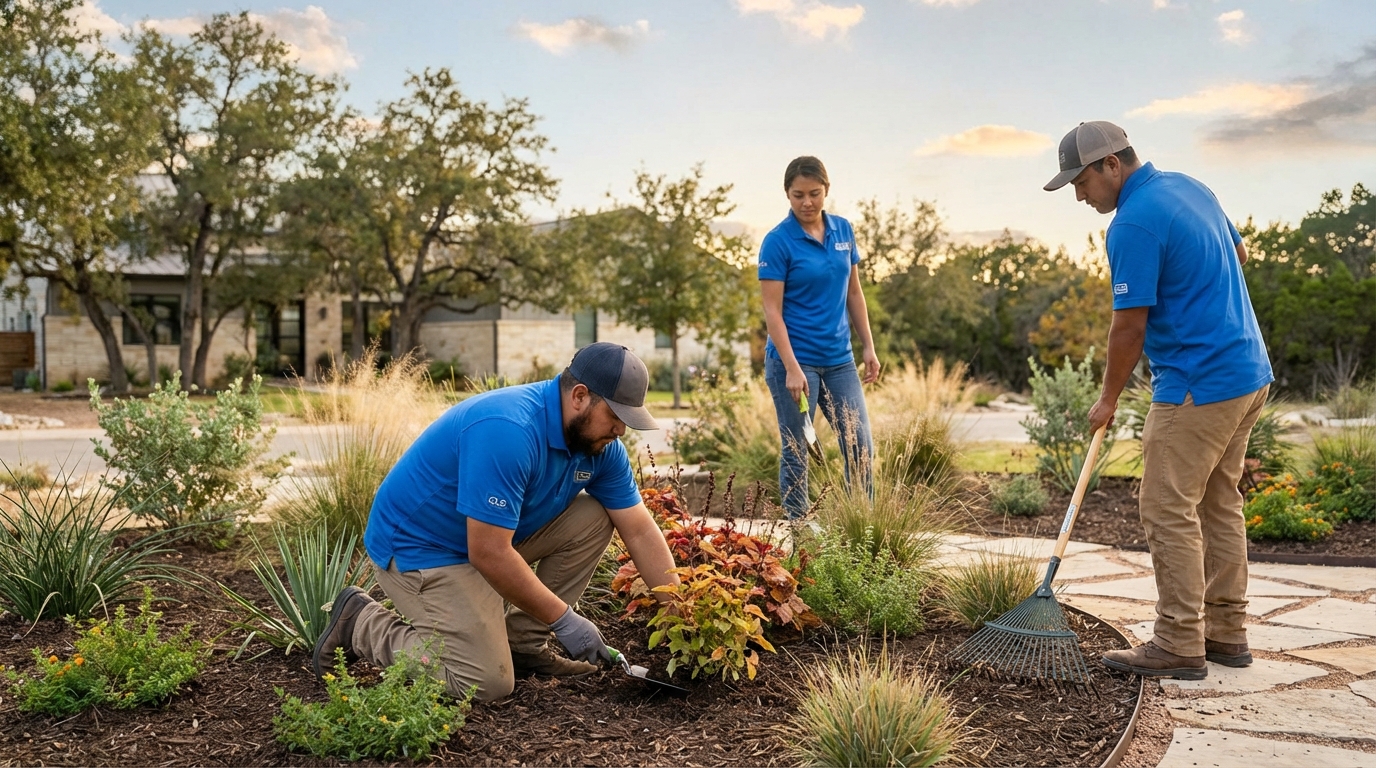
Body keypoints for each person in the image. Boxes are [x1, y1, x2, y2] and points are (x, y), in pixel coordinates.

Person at [311, 342, 679, 701]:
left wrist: (680, 610)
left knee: (595, 517)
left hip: (491, 538)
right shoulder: (509, 430)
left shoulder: (600, 447)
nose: (621, 431)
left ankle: (523, 644)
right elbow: (488, 552)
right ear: (579, 396)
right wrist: (564, 620)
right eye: (615, 417)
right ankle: (360, 622)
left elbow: (640, 528)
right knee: (484, 681)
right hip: (423, 548)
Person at [1044, 121, 1273, 680]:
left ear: (1112, 165)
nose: (1078, 194)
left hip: (1198, 384)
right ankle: (1226, 633)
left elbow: (1129, 326)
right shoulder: (1192, 187)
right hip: (1249, 373)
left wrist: (1107, 398)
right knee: (1220, 503)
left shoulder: (1133, 224)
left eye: (1081, 181)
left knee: (1165, 507)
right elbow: (1237, 256)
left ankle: (1177, 641)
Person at [759, 155, 881, 519]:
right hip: (794, 364)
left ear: (827, 190)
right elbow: (772, 312)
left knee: (860, 447)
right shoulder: (777, 242)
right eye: (798, 195)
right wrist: (793, 369)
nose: (807, 202)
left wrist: (869, 347)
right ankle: (802, 539)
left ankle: (861, 530)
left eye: (814, 193)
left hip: (840, 362)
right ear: (787, 194)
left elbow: (854, 294)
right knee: (798, 450)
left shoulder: (843, 231)